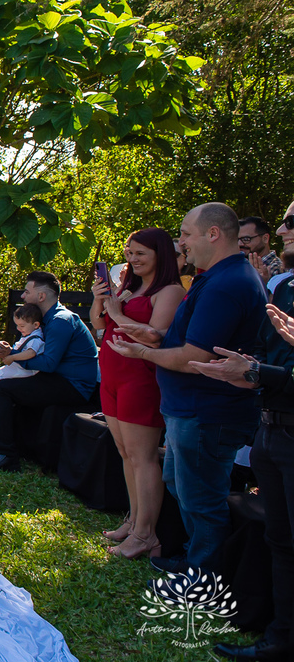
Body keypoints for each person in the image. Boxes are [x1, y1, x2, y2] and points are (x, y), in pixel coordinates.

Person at [107, 203, 267, 588]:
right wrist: (156, 336)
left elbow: (196, 356)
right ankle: (195, 557)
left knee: (203, 497)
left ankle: (202, 579)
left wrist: (144, 352)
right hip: (187, 408)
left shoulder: (229, 284)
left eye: (186, 234)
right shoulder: (213, 278)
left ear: (213, 234)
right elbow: (191, 339)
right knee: (182, 484)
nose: (181, 242)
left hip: (207, 411)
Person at [189, 304, 294, 661]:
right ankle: (281, 637)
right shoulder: (286, 290)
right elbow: (267, 350)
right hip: (271, 431)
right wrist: (249, 371)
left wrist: (260, 371)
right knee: (281, 542)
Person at [90, 227, 185, 560]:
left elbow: (156, 338)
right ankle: (133, 520)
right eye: (129, 252)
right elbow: (99, 326)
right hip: (112, 375)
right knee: (124, 452)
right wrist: (101, 301)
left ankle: (147, 535)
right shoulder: (127, 287)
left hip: (141, 379)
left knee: (143, 457)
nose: (132, 259)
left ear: (160, 254)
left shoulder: (170, 291)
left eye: (140, 253)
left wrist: (117, 312)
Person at [0, 271, 100, 472]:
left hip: (73, 385)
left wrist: (14, 357)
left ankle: (7, 455)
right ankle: (5, 443)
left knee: (2, 389)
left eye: (27, 291)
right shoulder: (42, 319)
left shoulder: (61, 320)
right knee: (6, 385)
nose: (23, 296)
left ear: (42, 296)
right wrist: (7, 350)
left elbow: (49, 363)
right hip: (56, 378)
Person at [0, 303, 44, 413]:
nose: (18, 328)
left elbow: (31, 353)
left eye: (21, 326)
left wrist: (12, 357)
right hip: (21, 368)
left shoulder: (36, 339)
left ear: (35, 324)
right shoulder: (29, 333)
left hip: (26, 370)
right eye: (17, 325)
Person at [240, 216, 282, 281]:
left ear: (265, 238)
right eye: (236, 240)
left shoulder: (276, 268)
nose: (240, 244)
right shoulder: (241, 265)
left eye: (246, 239)